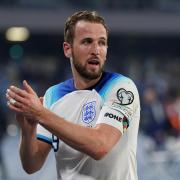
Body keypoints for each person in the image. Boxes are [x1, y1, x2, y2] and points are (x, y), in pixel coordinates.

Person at [6, 10, 140, 180]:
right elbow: (32, 164)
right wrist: (28, 128)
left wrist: (40, 114)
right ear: (67, 49)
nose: (96, 50)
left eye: (102, 43)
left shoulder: (121, 87)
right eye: (87, 42)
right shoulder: (53, 95)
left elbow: (100, 146)